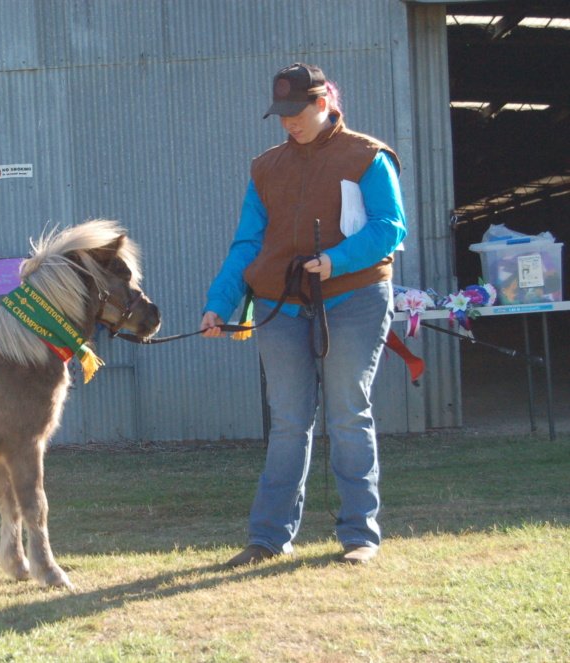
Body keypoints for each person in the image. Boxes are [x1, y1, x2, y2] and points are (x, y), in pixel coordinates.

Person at [201, 63, 407, 566]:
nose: (288, 121)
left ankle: (359, 536)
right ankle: (268, 538)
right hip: (281, 304)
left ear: (322, 103)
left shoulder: (368, 156)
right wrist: (219, 303)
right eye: (281, 113)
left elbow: (390, 226)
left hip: (355, 297)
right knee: (289, 422)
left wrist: (338, 259)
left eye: (297, 111)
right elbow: (248, 243)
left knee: (348, 414)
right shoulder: (266, 167)